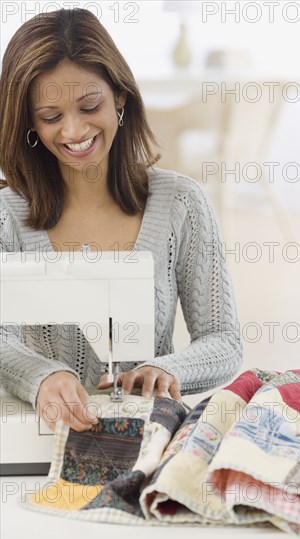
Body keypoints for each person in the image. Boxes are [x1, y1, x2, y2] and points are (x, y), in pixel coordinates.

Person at [0, 8, 243, 432]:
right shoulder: (7, 216)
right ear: (28, 122)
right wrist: (41, 376)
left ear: (121, 96)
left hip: (147, 440)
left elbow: (223, 340)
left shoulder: (181, 204)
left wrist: (167, 369)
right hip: (43, 438)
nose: (74, 131)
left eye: (89, 106)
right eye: (51, 117)